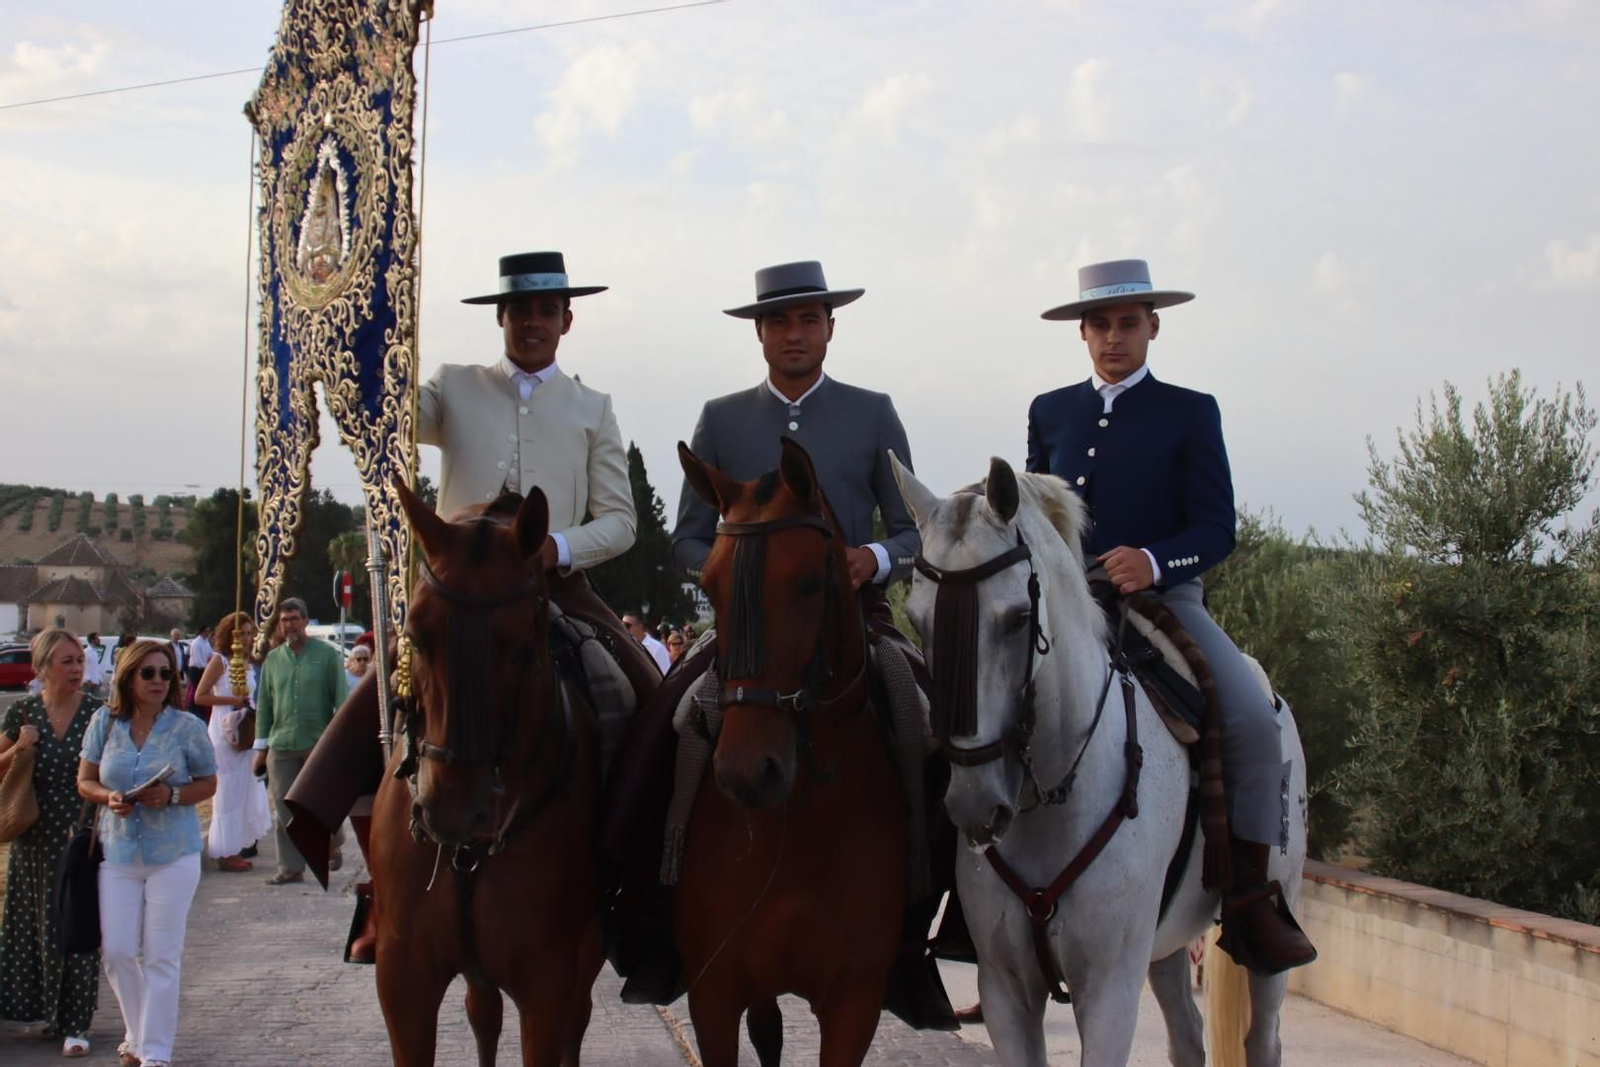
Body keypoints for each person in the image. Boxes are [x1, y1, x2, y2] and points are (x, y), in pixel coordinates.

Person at [605, 260, 954, 1028]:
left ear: (830, 327)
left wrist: (878, 558)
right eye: (780, 322)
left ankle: (917, 926)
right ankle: (657, 905)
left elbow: (909, 524)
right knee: (669, 721)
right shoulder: (722, 417)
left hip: (855, 621)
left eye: (809, 320)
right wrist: (734, 571)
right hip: (745, 631)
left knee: (924, 717)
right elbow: (688, 539)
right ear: (760, 332)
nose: (795, 334)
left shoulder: (873, 412)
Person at [1026, 258, 1316, 974]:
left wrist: (1154, 562)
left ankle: (1250, 898)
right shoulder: (1050, 410)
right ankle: (976, 907)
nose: (1113, 337)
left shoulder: (1191, 410)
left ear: (1152, 326)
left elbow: (1218, 528)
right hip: (1071, 609)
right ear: (1083, 333)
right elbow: (1032, 520)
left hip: (1164, 602)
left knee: (1249, 712)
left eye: (1128, 323)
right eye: (1100, 325)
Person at [76, 638, 217, 1067]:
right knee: (117, 952)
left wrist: (172, 795)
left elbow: (208, 783)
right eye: (149, 673)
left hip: (173, 853)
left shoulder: (186, 726)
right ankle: (137, 1034)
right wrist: (108, 797)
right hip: (118, 851)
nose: (159, 681)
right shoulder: (105, 721)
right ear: (128, 677)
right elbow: (86, 780)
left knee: (161, 955)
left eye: (167, 673)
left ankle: (154, 1053)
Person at [0, 630, 102, 1058]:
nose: (77, 669)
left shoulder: (98, 713)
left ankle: (76, 1023)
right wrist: (19, 748)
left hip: (79, 838)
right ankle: (41, 1013)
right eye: (67, 662)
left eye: (79, 660)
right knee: (32, 926)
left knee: (76, 927)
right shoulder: (23, 713)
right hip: (33, 840)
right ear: (43, 668)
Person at [250, 597, 347, 885]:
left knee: (320, 803)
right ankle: (291, 868)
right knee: (283, 807)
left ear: (305, 621)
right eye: (284, 620)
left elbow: (340, 701)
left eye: (294, 618)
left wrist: (338, 744)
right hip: (281, 743)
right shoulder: (273, 660)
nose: (289, 624)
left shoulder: (327, 656)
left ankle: (332, 840)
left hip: (316, 742)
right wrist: (261, 748)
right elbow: (264, 705)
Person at [193, 611, 272, 873]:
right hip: (224, 729)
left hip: (244, 729)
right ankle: (225, 850)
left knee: (243, 788)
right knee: (227, 790)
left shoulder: (246, 662)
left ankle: (237, 845)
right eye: (243, 634)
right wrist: (230, 701)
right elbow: (200, 696)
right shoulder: (219, 662)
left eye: (251, 633)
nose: (248, 639)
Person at [82, 632, 107, 698]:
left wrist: (99, 679)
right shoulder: (86, 652)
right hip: (88, 684)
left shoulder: (95, 652)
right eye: (97, 638)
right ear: (92, 640)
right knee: (86, 703)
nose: (99, 640)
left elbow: (96, 667)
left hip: (96, 683)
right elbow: (83, 667)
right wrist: (88, 680)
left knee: (97, 704)